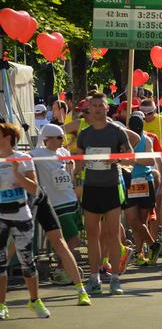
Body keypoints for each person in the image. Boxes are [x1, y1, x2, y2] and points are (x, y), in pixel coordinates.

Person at [75, 93, 134, 295]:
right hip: (91, 187)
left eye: (102, 105)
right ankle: (94, 277)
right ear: (89, 108)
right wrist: (77, 167)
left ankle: (115, 278)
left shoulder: (117, 131)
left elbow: (130, 157)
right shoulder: (85, 134)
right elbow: (78, 160)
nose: (98, 108)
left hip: (111, 187)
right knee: (92, 234)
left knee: (112, 234)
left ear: (107, 108)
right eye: (95, 105)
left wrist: (117, 160)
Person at [29, 124, 90, 306]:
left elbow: (74, 169)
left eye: (63, 137)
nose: (63, 140)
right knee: (71, 241)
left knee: (75, 239)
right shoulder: (36, 154)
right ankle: (60, 269)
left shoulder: (64, 152)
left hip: (71, 200)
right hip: (56, 204)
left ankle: (62, 267)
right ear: (47, 138)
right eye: (59, 137)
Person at [0, 122, 51, 319]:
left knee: (27, 262)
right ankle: (2, 305)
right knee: (1, 264)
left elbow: (34, 189)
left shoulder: (23, 158)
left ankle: (35, 301)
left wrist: (16, 174)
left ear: (8, 136)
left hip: (21, 215)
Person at [123, 115, 161, 266]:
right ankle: (153, 245)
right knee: (134, 220)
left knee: (141, 219)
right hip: (130, 181)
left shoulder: (147, 140)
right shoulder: (125, 139)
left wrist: (134, 159)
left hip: (144, 180)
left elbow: (150, 160)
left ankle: (139, 252)